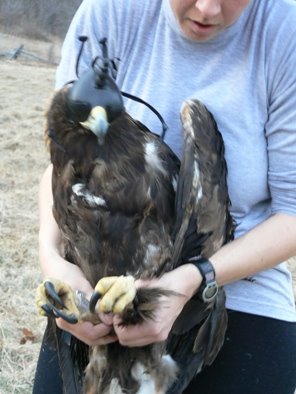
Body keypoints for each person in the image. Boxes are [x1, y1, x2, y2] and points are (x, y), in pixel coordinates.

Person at [33, 0, 296, 393]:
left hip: (233, 291)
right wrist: (54, 263)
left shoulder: (284, 33)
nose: (207, 8)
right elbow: (63, 167)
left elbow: (292, 213)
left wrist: (192, 280)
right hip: (94, 287)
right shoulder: (108, 12)